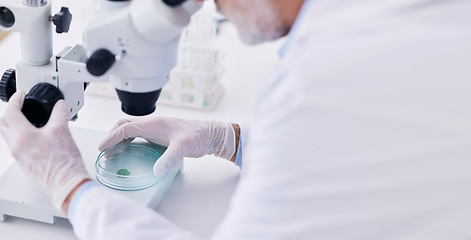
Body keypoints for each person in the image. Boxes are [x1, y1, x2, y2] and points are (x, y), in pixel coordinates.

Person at [1, 0, 471, 239]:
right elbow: (372, 149)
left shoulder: (316, 87)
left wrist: (70, 187)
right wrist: (233, 141)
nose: (212, 5)